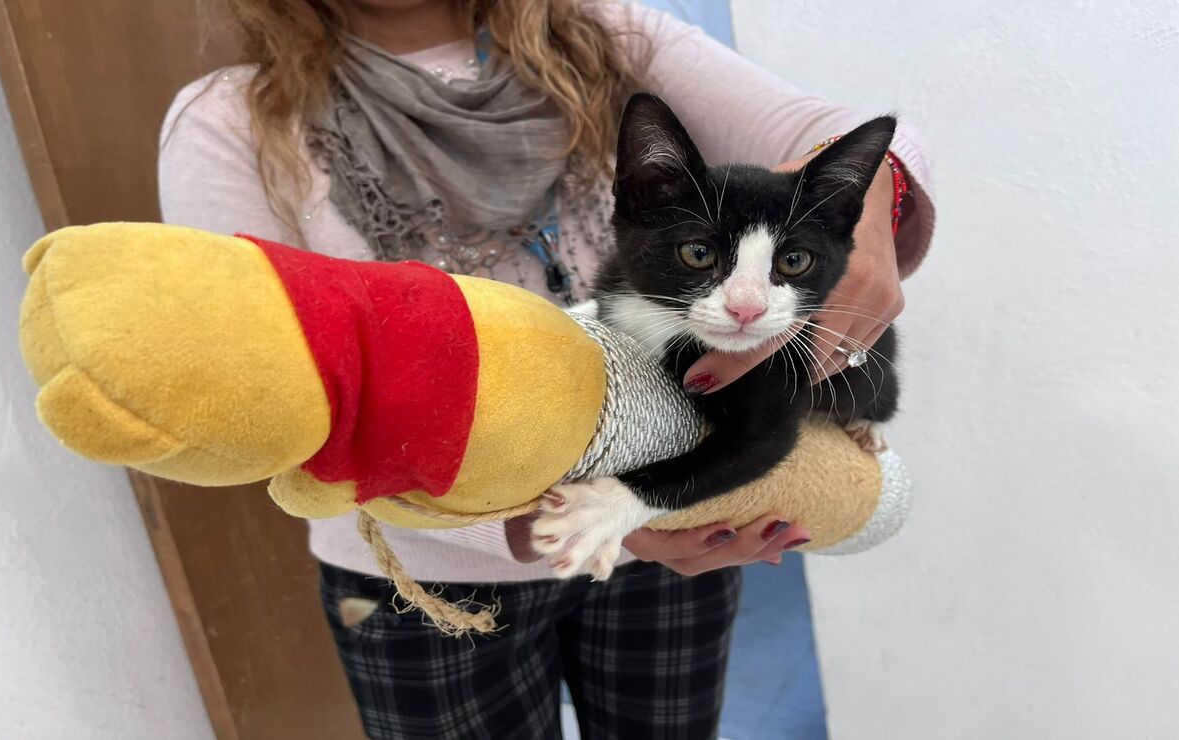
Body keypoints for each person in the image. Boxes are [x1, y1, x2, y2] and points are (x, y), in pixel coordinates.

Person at [159, 1, 935, 737]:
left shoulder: (603, 35)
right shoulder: (233, 119)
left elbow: (850, 139)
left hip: (649, 518)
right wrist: (554, 520)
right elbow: (265, 386)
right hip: (425, 577)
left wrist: (861, 219)